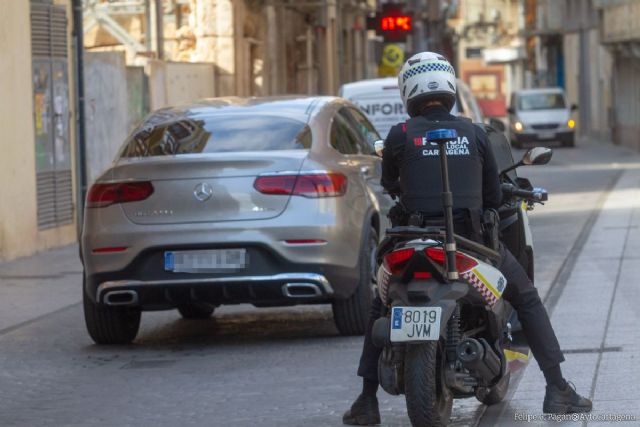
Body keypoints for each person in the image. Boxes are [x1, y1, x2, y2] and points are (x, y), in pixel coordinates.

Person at [342, 52, 592, 426]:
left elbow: (391, 184)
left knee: (380, 304)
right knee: (526, 298)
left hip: (410, 244)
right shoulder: (474, 133)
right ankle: (557, 388)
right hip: (470, 245)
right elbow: (493, 195)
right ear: (449, 86)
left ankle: (366, 400)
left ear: (408, 90)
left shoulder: (399, 135)